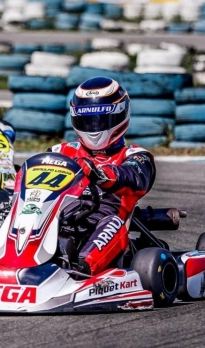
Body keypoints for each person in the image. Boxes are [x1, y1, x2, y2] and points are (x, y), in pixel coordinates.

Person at [50, 76, 156, 276]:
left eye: (100, 120)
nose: (94, 127)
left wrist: (100, 173)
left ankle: (79, 269)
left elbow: (133, 177)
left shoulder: (135, 156)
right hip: (53, 218)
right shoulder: (60, 151)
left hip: (99, 223)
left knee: (113, 225)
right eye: (88, 120)